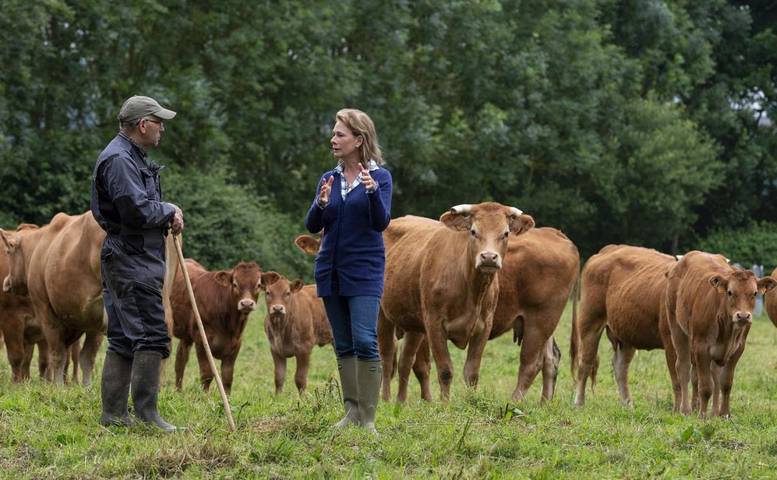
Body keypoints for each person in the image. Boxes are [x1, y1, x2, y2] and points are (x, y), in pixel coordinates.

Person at [91, 95, 184, 432]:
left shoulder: (129, 156)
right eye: (159, 122)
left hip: (132, 256)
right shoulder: (118, 160)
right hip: (131, 259)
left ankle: (114, 417)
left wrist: (164, 211)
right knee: (150, 335)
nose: (162, 128)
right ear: (143, 125)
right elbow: (135, 209)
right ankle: (147, 417)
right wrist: (169, 210)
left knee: (124, 336)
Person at [305, 108, 392, 434]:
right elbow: (312, 224)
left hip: (365, 270)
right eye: (334, 133)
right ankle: (351, 412)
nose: (333, 139)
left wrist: (371, 193)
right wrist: (321, 204)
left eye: (340, 134)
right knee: (342, 343)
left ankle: (368, 419)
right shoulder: (328, 179)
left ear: (359, 139)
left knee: (365, 340)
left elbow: (380, 221)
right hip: (330, 270)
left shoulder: (380, 178)